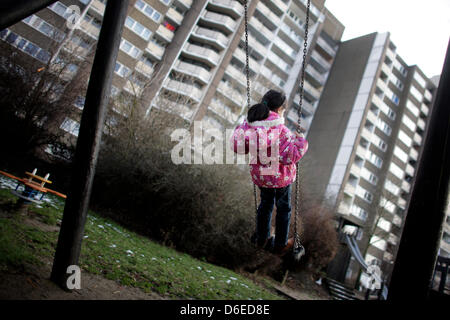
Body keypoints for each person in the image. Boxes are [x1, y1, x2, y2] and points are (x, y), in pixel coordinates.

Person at [231, 90, 308, 255]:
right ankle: (280, 243)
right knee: (283, 208)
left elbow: (238, 145)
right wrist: (300, 141)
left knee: (265, 206)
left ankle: (262, 238)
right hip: (281, 178)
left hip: (262, 177)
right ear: (280, 109)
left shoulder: (249, 124)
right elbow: (289, 157)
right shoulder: (280, 130)